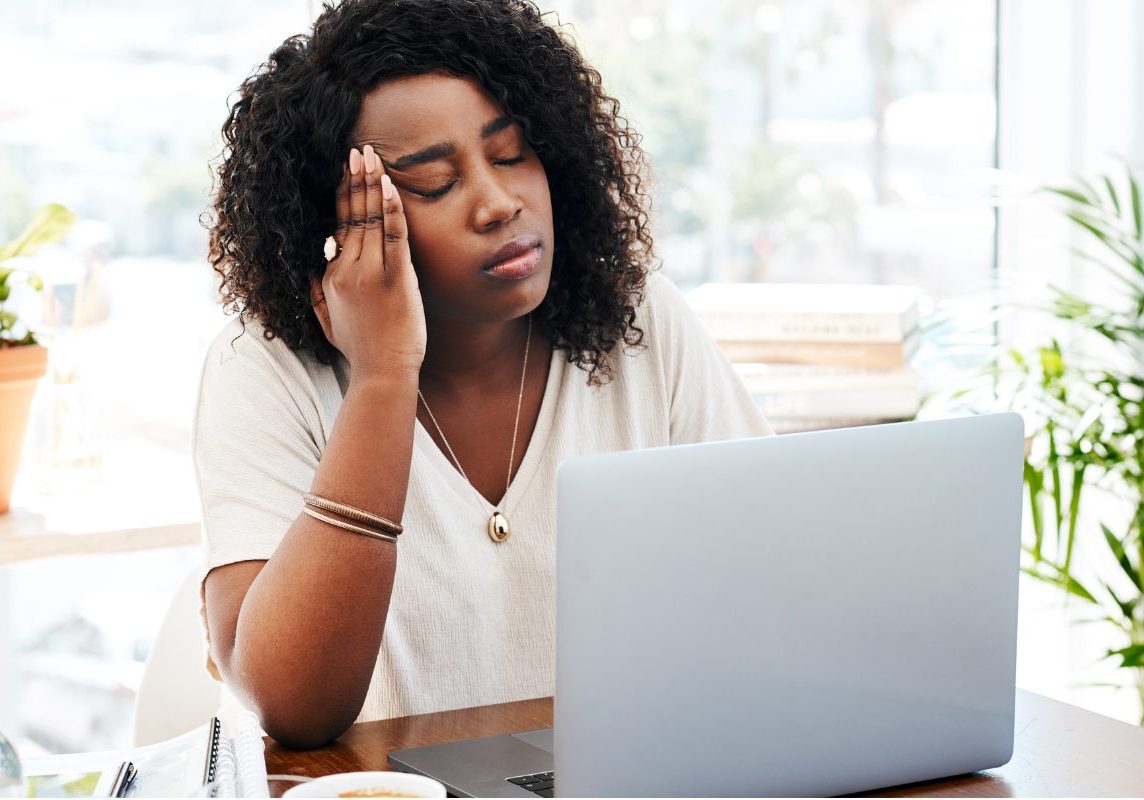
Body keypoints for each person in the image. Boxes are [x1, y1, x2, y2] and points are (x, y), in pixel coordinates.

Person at [196, 0, 772, 750]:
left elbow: (770, 581)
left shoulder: (640, 323)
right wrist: (382, 377)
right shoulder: (264, 370)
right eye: (436, 183)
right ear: (334, 231)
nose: (500, 204)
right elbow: (294, 706)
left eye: (511, 155)